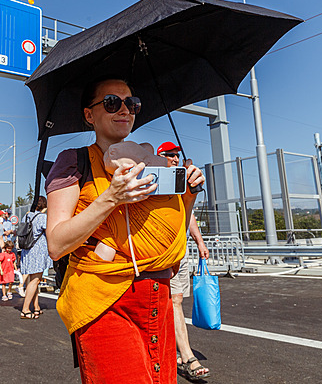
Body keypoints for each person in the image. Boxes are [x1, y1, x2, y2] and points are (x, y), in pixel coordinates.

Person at [45, 78, 205, 383]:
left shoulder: (153, 166)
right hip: (104, 301)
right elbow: (56, 243)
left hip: (159, 297)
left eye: (131, 103)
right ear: (89, 114)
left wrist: (189, 196)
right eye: (111, 103)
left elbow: (171, 243)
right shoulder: (74, 162)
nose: (124, 110)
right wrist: (111, 198)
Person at [157, 141, 211, 380]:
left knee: (176, 299)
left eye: (177, 155)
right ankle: (185, 355)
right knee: (162, 302)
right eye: (169, 155)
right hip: (158, 252)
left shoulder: (183, 183)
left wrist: (199, 242)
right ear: (159, 157)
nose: (175, 159)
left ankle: (182, 354)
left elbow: (188, 218)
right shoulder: (154, 181)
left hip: (180, 249)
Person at [19, 196, 53, 319]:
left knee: (33, 280)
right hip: (37, 252)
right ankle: (25, 309)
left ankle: (36, 306)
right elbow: (50, 232)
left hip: (27, 251)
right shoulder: (43, 218)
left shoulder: (27, 216)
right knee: (35, 280)